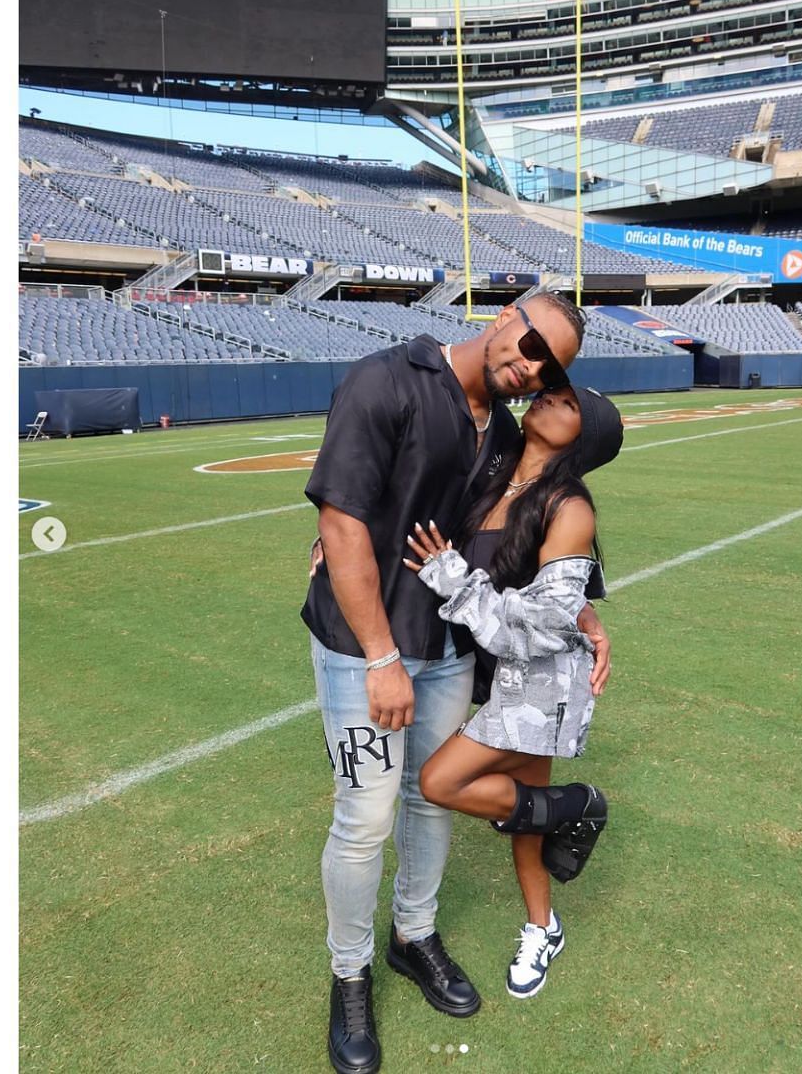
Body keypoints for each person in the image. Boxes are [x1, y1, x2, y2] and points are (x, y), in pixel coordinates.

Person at [302, 293, 606, 1074]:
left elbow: (510, 537)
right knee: (365, 817)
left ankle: (414, 935)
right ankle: (350, 976)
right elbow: (342, 521)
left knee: (425, 802)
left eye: (550, 365)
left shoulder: (506, 432)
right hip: (363, 646)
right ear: (506, 314)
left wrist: (588, 617)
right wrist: (378, 655)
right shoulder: (386, 381)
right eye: (531, 341)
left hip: (448, 651)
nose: (530, 365)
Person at [404, 380, 623, 1002]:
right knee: (525, 813)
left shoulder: (570, 506)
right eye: (551, 393)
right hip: (500, 669)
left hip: (542, 684)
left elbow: (547, 625)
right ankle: (543, 926)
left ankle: (580, 804)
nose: (550, 398)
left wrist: (451, 578)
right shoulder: (497, 473)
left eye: (570, 403)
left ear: (586, 438)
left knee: (440, 781)